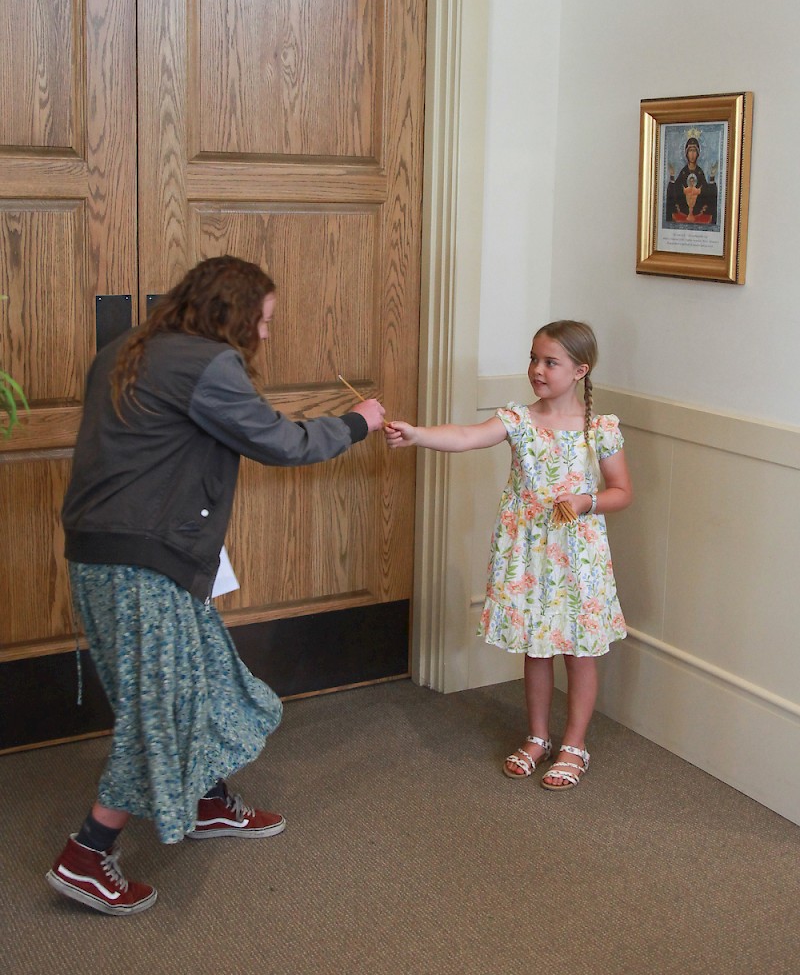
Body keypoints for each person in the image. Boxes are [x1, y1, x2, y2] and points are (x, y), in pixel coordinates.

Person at [47, 255, 385, 915]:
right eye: (263, 320)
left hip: (106, 554)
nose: (265, 335)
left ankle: (206, 801)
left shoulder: (128, 348)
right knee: (160, 710)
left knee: (203, 677)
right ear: (231, 313)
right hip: (143, 563)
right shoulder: (206, 363)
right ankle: (86, 854)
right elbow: (281, 443)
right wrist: (358, 422)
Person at [385, 320, 632, 790]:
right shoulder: (518, 419)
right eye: (533, 358)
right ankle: (537, 736)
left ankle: (574, 744)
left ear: (579, 370)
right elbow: (465, 436)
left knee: (578, 651)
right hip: (529, 554)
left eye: (550, 362)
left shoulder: (599, 429)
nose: (537, 369)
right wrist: (418, 434)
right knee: (536, 648)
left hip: (578, 558)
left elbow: (622, 491)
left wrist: (586, 501)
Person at [666, 135, 718, 224]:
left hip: (698, 213)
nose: (692, 154)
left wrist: (712, 177)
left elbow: (707, 193)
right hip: (683, 212)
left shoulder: (700, 172)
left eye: (694, 151)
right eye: (690, 151)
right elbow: (675, 191)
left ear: (698, 153)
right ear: (686, 153)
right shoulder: (683, 172)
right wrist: (672, 176)